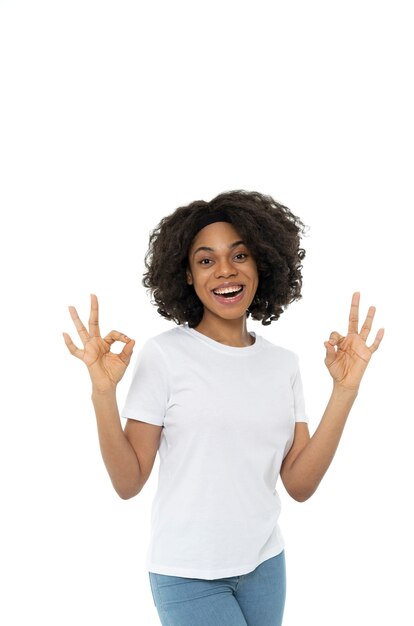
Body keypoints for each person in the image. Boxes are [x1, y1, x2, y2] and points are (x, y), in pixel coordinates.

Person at [63, 189, 384, 626]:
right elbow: (128, 482)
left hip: (265, 565)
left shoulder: (283, 364)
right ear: (188, 276)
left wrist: (345, 390)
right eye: (206, 260)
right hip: (188, 574)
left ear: (262, 265)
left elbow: (300, 485)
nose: (225, 272)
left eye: (240, 255)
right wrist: (103, 394)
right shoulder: (164, 356)